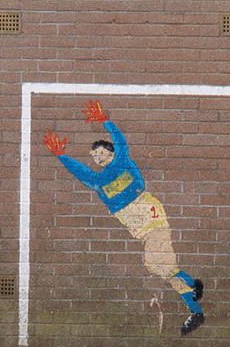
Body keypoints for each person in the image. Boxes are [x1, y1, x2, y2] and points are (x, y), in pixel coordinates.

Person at [43, 100, 207, 334]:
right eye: (94, 156)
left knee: (160, 265)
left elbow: (120, 141)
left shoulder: (122, 162)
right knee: (161, 267)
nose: (98, 158)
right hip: (142, 230)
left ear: (110, 152)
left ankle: (194, 297)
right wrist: (61, 156)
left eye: (101, 153)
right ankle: (193, 296)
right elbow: (81, 172)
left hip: (152, 221)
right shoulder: (99, 183)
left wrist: (106, 122)